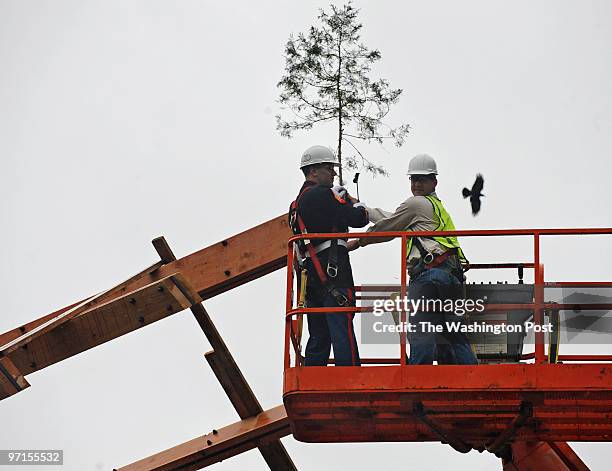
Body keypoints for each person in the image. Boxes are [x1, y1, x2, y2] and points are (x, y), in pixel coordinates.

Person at [348, 153, 477, 365]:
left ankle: (419, 378)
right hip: (451, 276)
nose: (416, 183)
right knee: (454, 333)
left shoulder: (416, 204)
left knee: (421, 331)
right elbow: (394, 219)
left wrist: (358, 242)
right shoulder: (433, 207)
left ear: (434, 181)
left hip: (429, 275)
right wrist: (363, 207)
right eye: (413, 179)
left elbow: (388, 227)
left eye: (422, 179)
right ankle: (471, 376)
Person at [289, 145, 369, 366]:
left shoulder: (295, 205)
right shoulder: (321, 195)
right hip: (333, 271)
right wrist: (357, 204)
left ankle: (313, 377)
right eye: (328, 168)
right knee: (341, 322)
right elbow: (358, 219)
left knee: (319, 332)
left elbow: (319, 233)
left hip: (312, 273)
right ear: (313, 171)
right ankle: (350, 377)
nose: (333, 173)